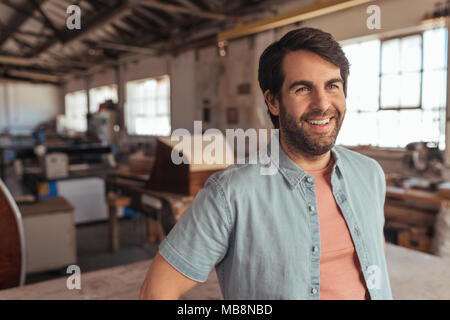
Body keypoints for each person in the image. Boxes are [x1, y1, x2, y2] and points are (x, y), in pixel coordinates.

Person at [140, 27, 392, 300]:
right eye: (303, 88)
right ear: (273, 101)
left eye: (332, 85)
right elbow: (156, 291)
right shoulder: (231, 193)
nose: (322, 103)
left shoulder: (369, 174)